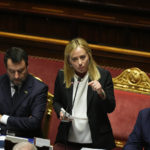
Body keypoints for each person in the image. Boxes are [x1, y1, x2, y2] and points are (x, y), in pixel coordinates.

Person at [53, 38, 116, 150]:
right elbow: (56, 102)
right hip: (68, 138)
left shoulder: (103, 75)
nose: (80, 63)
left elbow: (110, 107)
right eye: (75, 59)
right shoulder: (62, 76)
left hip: (97, 140)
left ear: (89, 56)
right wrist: (61, 112)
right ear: (69, 61)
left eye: (83, 57)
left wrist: (101, 93)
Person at [0, 47, 48, 138]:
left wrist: (2, 118)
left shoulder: (39, 89)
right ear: (6, 68)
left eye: (20, 71)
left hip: (26, 140)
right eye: (12, 71)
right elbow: (28, 122)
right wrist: (24, 121)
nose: (16, 76)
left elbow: (34, 123)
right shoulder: (1, 82)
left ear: (27, 67)